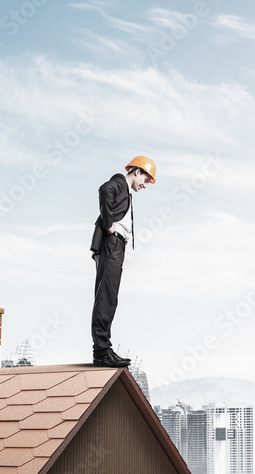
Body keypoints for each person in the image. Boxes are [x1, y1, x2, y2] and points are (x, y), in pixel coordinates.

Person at [89, 155, 156, 368]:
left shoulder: (126, 191)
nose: (145, 186)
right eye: (146, 180)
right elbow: (104, 189)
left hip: (116, 246)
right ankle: (101, 351)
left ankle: (104, 349)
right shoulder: (119, 182)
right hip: (111, 243)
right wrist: (109, 224)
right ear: (137, 172)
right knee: (106, 296)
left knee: (110, 297)